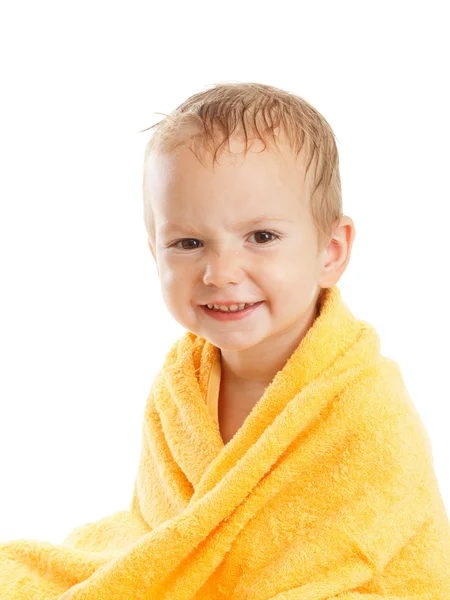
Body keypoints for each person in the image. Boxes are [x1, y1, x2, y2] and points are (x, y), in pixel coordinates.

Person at [1, 82, 449, 599]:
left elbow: (372, 557)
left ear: (330, 250)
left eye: (261, 237)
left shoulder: (366, 407)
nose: (221, 272)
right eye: (188, 243)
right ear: (155, 255)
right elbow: (166, 535)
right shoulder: (181, 387)